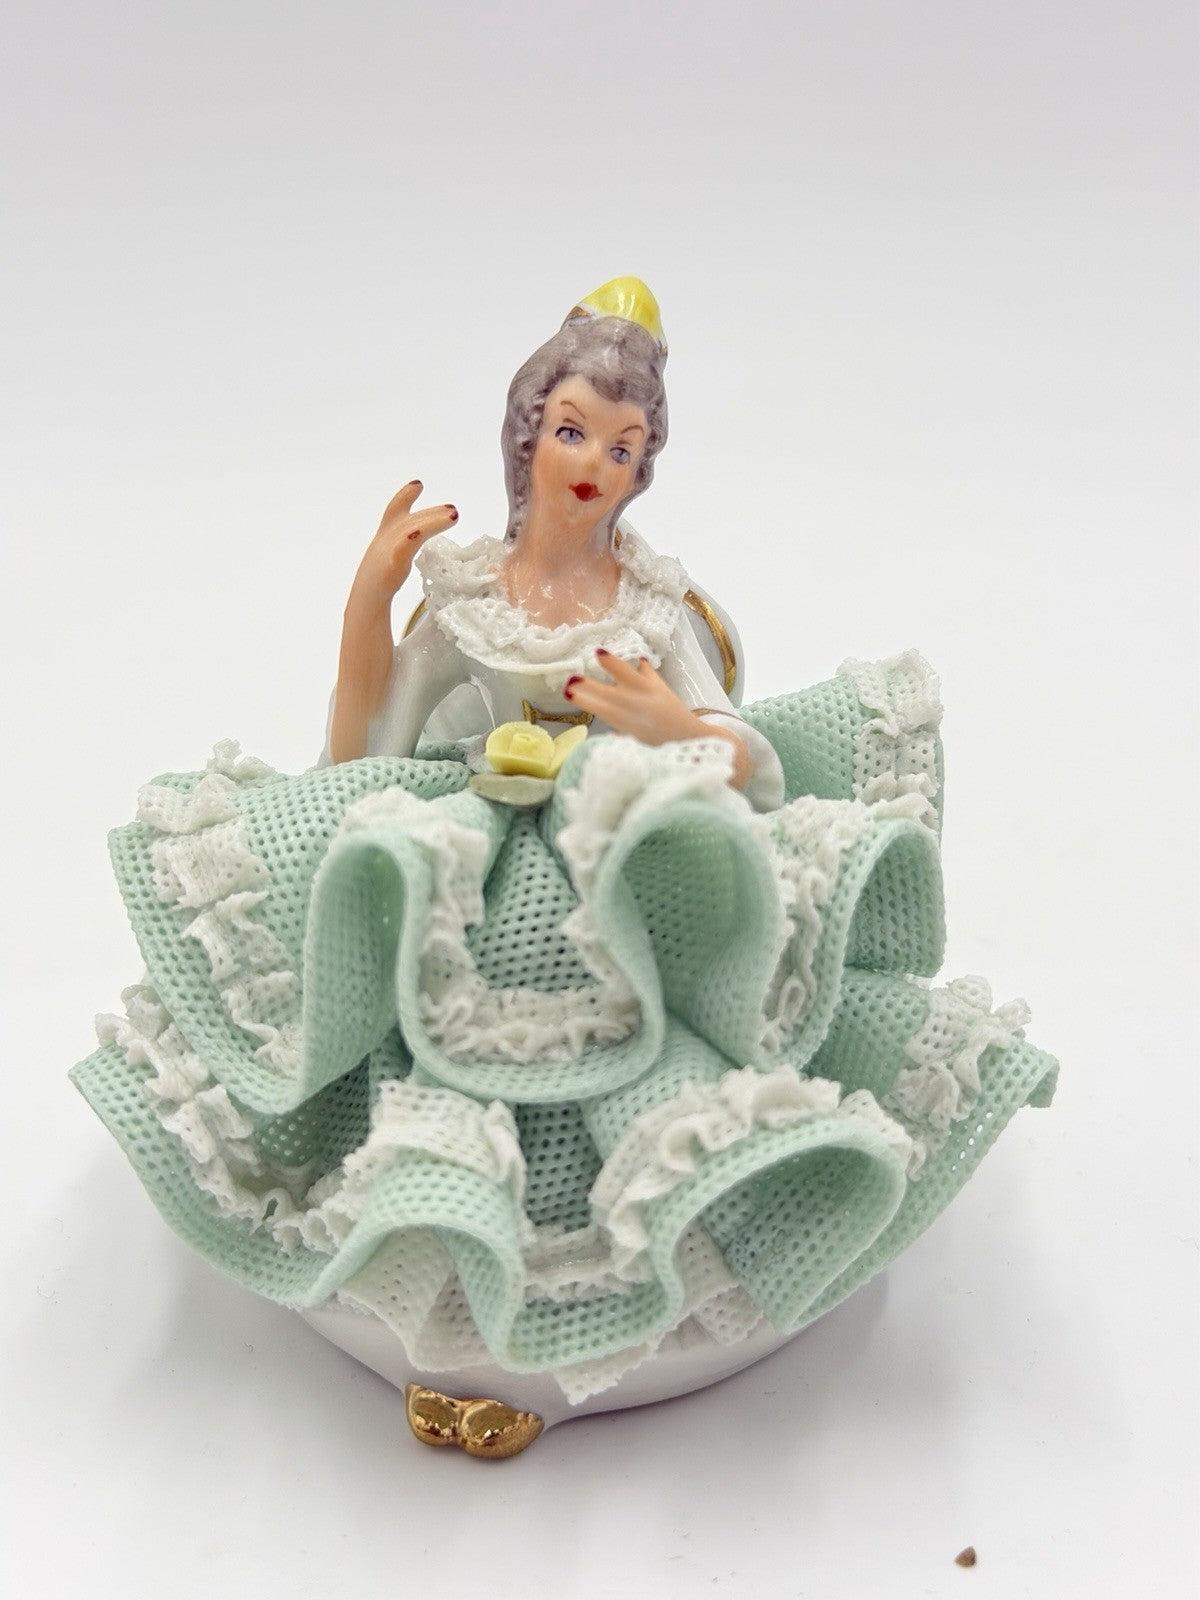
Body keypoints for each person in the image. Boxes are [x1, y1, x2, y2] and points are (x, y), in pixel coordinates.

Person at [71, 279, 1057, 1457]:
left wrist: (666, 724)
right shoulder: (469, 600)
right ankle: (443, 1239)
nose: (595, 463)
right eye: (576, 431)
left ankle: (645, 1246)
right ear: (528, 436)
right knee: (436, 1015)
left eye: (624, 447)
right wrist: (368, 603)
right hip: (473, 846)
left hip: (629, 855)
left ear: (642, 472)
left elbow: (748, 763)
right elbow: (363, 756)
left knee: (643, 1043)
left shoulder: (652, 607)